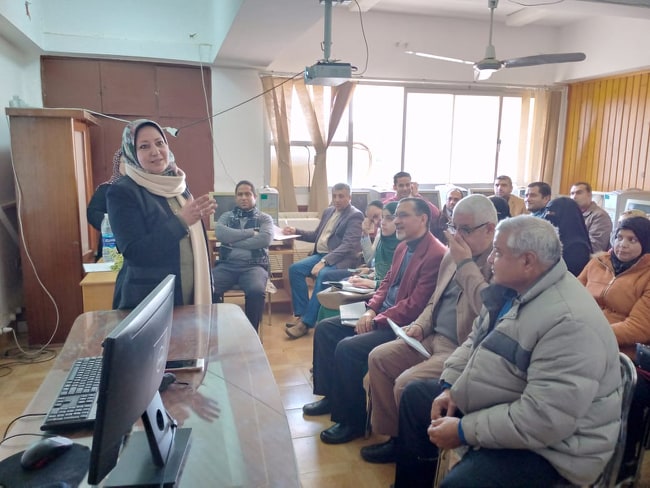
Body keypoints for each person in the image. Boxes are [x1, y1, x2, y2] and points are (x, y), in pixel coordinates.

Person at [394, 216, 621, 488]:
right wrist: (451, 386)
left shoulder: (569, 322)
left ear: (527, 261)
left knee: (460, 484)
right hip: (510, 400)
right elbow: (473, 341)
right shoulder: (512, 291)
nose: (490, 259)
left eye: (498, 252)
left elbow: (545, 419)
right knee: (416, 396)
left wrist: (464, 431)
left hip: (556, 449)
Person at [361, 195, 496, 465]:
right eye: (454, 227)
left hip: (460, 346)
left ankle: (414, 454)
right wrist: (420, 325)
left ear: (490, 229)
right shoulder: (451, 255)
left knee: (405, 383)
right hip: (431, 335)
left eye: (465, 229)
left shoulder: (497, 263)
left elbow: (489, 310)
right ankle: (394, 438)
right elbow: (435, 299)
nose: (457, 236)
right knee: (378, 358)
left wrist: (466, 265)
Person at [302, 198, 446, 445]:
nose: (396, 221)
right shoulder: (404, 246)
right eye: (395, 215)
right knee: (325, 329)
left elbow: (416, 305)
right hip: (380, 313)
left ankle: (353, 422)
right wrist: (370, 310)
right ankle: (330, 397)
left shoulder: (436, 254)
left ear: (423, 219)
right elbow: (386, 283)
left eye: (403, 215)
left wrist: (376, 318)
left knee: (348, 348)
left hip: (401, 325)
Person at [107, 119, 217, 309]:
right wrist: (181, 221)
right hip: (150, 300)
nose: (155, 151)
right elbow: (134, 252)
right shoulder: (122, 191)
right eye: (144, 146)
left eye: (160, 143)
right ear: (131, 152)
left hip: (191, 292)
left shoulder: (177, 183)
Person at [577, 216, 650, 479]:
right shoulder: (598, 262)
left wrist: (591, 335)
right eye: (619, 237)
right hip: (579, 341)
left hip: (622, 355)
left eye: (632, 240)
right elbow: (570, 295)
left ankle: (614, 464)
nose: (622, 244)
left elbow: (639, 328)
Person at [284, 183, 364, 339]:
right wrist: (296, 231)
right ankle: (302, 314)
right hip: (321, 255)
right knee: (295, 269)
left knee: (323, 275)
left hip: (341, 260)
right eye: (334, 196)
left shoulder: (355, 215)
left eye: (341, 196)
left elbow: (348, 245)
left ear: (349, 197)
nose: (337, 199)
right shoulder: (328, 211)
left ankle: (306, 323)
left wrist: (325, 261)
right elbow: (316, 236)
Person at [212, 181, 273, 331]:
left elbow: (264, 239)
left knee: (256, 291)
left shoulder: (264, 218)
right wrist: (251, 233)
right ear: (235, 197)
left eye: (247, 194)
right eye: (240, 194)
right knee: (208, 288)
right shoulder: (226, 216)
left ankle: (251, 334)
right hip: (227, 266)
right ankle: (215, 331)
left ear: (255, 197)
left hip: (254, 267)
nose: (243, 197)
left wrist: (232, 241)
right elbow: (220, 233)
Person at [87, 149, 125, 260]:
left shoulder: (146, 188)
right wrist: (113, 221)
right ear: (117, 165)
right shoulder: (106, 188)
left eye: (131, 162)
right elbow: (92, 213)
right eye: (124, 162)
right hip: (111, 245)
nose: (128, 166)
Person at [542, 196, 592, 276]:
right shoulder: (549, 238)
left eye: (552, 213)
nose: (547, 216)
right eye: (547, 212)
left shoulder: (578, 248)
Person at [570, 181, 613, 252]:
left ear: (589, 195)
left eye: (579, 193)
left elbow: (595, 247)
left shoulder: (600, 216)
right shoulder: (572, 214)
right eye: (572, 193)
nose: (574, 197)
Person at [360, 200, 384, 267]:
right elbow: (369, 260)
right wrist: (365, 234)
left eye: (376, 216)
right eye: (372, 221)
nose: (376, 222)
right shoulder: (380, 232)